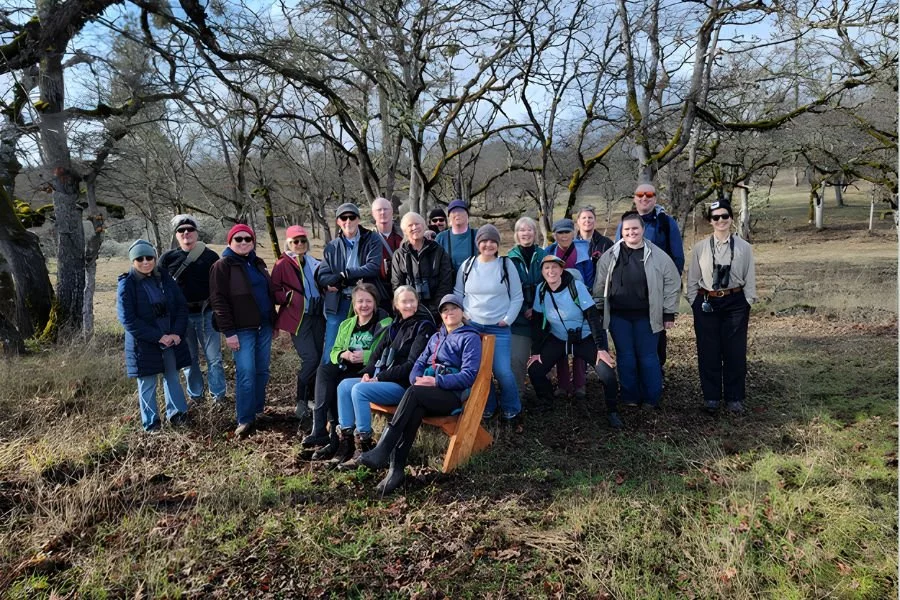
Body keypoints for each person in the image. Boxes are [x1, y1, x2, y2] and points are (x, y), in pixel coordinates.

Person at [359, 293, 482, 495]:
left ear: (462, 312)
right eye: (444, 310)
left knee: (413, 394)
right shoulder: (436, 337)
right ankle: (395, 470)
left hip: (450, 395)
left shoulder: (470, 338)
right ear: (440, 315)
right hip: (426, 392)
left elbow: (468, 375)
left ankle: (384, 448)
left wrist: (436, 381)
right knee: (415, 407)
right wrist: (417, 379)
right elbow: (418, 364)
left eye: (453, 308)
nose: (449, 313)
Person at [331, 286, 437, 468]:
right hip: (384, 380)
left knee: (359, 390)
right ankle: (346, 441)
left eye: (412, 300)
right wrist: (368, 372)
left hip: (403, 386)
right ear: (396, 304)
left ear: (417, 303)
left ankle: (364, 446)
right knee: (344, 386)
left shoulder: (423, 326)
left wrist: (379, 378)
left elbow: (411, 365)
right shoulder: (394, 326)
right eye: (404, 301)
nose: (409, 305)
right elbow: (376, 354)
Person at [594, 212, 680, 409]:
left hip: (647, 316)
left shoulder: (658, 255)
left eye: (635, 228)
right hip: (618, 316)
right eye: (627, 229)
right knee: (626, 356)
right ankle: (629, 396)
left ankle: (652, 397)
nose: (631, 232)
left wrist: (668, 313)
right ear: (621, 231)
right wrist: (599, 309)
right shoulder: (610, 256)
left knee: (648, 357)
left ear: (642, 230)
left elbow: (672, 283)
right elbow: (600, 284)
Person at [528, 256, 621, 428]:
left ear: (562, 270)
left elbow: (593, 317)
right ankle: (547, 401)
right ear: (542, 272)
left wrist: (601, 348)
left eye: (555, 267)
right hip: (558, 338)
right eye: (546, 268)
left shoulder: (575, 286)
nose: (551, 271)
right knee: (535, 369)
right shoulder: (540, 290)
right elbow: (537, 323)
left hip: (583, 337)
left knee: (607, 372)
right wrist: (536, 352)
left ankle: (612, 411)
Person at [301, 283, 392, 460]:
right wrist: (345, 354)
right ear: (354, 304)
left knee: (338, 384)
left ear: (375, 303)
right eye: (360, 301)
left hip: (367, 371)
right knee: (325, 371)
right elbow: (334, 352)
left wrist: (365, 356)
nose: (364, 305)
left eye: (368, 301)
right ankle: (323, 430)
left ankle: (335, 439)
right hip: (346, 367)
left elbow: (386, 351)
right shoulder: (346, 324)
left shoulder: (384, 323)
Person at [686, 200, 757, 414]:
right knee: (709, 351)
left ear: (731, 218)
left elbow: (750, 277)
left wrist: (747, 301)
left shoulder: (744, 248)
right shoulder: (700, 248)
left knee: (735, 351)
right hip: (707, 301)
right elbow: (692, 279)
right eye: (716, 217)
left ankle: (735, 397)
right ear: (710, 221)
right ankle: (711, 397)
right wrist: (694, 301)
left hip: (735, 302)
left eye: (725, 216)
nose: (721, 221)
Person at [209, 224, 276, 438]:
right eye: (238, 239)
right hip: (241, 330)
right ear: (230, 242)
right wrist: (229, 332)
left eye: (248, 238)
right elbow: (218, 300)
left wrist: (273, 322)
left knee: (262, 370)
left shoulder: (258, 263)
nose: (244, 242)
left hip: (264, 326)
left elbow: (268, 293)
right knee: (246, 373)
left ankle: (257, 410)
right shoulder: (222, 265)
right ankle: (245, 418)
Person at [117, 239, 191, 432]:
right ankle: (152, 424)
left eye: (149, 257)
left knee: (172, 377)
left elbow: (181, 307)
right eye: (139, 258)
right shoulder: (127, 284)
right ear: (133, 261)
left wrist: (176, 332)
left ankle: (178, 416)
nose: (145, 262)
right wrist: (158, 337)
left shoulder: (165, 278)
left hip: (170, 339)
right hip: (144, 343)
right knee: (147, 383)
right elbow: (128, 319)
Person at [454, 224, 524, 423]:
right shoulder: (467, 265)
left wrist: (507, 319)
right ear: (478, 244)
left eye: (493, 241)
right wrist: (464, 316)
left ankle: (512, 408)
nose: (488, 245)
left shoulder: (506, 265)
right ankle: (489, 405)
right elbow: (458, 293)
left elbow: (517, 297)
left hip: (499, 328)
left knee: (502, 371)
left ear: (498, 244)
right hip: (472, 326)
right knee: (478, 370)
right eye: (484, 241)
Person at [616, 184, 685, 373]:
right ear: (634, 197)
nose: (644, 198)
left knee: (656, 335)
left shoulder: (665, 222)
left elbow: (677, 257)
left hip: (657, 291)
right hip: (629, 294)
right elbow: (616, 255)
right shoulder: (626, 222)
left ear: (655, 198)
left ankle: (656, 372)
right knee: (631, 339)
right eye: (640, 194)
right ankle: (636, 376)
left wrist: (670, 288)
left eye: (649, 195)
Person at [158, 214, 226, 405]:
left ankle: (218, 396)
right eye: (181, 230)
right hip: (181, 318)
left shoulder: (211, 256)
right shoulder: (167, 258)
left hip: (207, 314)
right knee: (190, 360)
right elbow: (159, 288)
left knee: (214, 359)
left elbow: (219, 287)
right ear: (176, 235)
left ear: (197, 233)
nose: (186, 233)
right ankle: (196, 397)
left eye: (190, 229)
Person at [316, 202, 386, 364]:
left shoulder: (372, 239)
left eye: (352, 217)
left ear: (358, 220)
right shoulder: (331, 247)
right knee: (332, 351)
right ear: (338, 222)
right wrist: (340, 281)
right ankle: (326, 388)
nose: (348, 221)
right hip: (340, 303)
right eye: (343, 218)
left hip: (365, 303)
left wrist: (344, 274)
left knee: (365, 350)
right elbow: (323, 276)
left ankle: (360, 386)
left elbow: (373, 267)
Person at [271, 225, 325, 424]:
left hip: (318, 316)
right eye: (296, 241)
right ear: (289, 243)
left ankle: (312, 399)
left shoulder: (313, 262)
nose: (300, 244)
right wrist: (288, 296)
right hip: (298, 317)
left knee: (320, 358)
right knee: (310, 358)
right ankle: (300, 402)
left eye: (303, 240)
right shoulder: (282, 264)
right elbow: (274, 290)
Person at [545, 218, 594, 399]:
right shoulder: (549, 252)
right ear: (554, 235)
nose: (564, 236)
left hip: (579, 302)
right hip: (556, 304)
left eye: (567, 232)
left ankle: (580, 383)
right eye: (560, 233)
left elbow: (590, 279)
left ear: (573, 233)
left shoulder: (583, 253)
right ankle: (563, 384)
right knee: (559, 342)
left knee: (579, 340)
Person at [506, 217, 546, 403]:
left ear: (535, 232)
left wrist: (536, 308)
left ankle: (545, 394)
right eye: (522, 230)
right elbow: (507, 291)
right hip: (519, 319)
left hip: (542, 317)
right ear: (516, 234)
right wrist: (524, 309)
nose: (526, 233)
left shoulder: (543, 255)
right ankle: (518, 395)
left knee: (544, 358)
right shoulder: (509, 259)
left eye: (529, 229)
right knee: (517, 359)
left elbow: (550, 285)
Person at [391, 212, 454, 319]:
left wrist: (435, 309)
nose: (414, 227)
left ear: (424, 226)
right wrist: (410, 306)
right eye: (410, 225)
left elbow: (446, 283)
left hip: (436, 312)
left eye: (417, 224)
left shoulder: (438, 251)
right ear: (405, 230)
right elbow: (397, 286)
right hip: (409, 311)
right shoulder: (399, 255)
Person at [371, 197, 403, 313]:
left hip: (401, 288)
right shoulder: (367, 238)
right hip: (377, 289)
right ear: (373, 214)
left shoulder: (404, 235)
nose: (382, 212)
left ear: (392, 212)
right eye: (379, 210)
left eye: (386, 209)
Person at [435, 199, 479, 273]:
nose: (457, 213)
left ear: (467, 215)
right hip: (448, 282)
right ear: (449, 217)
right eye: (453, 211)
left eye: (461, 210)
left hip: (473, 282)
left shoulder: (478, 235)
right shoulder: (441, 238)